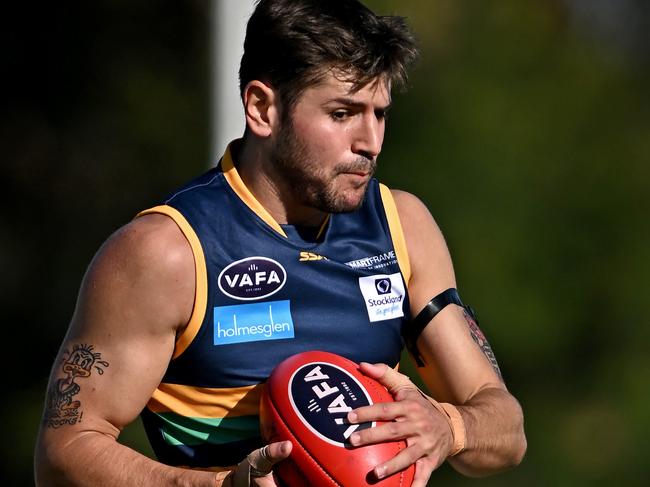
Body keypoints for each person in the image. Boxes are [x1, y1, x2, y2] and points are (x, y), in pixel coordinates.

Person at [34, 0, 526, 485]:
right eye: (342, 113)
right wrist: (215, 486)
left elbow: (506, 430)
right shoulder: (168, 252)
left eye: (379, 113)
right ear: (262, 108)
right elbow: (64, 453)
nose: (370, 141)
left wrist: (451, 427)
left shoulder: (402, 226)